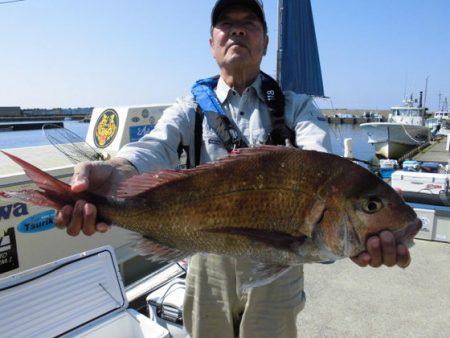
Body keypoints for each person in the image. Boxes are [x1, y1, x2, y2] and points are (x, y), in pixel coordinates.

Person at [55, 1, 412, 337]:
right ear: (212, 42)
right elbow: (156, 145)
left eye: (249, 25)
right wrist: (116, 170)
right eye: (226, 24)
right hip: (204, 257)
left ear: (266, 42)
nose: (237, 31)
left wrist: (366, 214)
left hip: (281, 271)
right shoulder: (190, 108)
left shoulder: (298, 107)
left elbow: (321, 162)